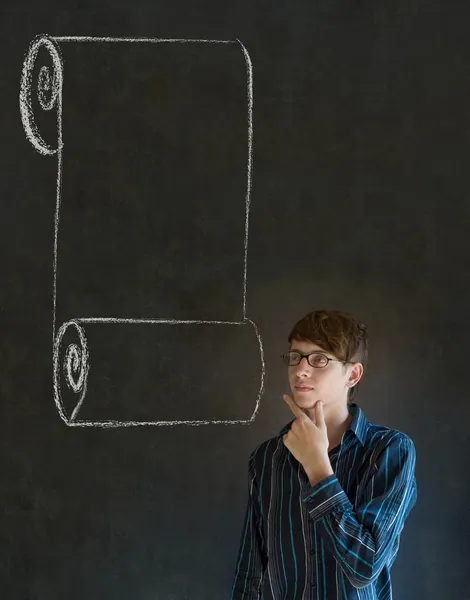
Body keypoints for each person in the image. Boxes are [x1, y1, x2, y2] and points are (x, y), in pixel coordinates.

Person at [231, 309, 417, 600]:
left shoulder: (388, 450)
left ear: (352, 374)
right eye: (295, 356)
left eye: (319, 359)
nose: (300, 370)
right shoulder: (266, 458)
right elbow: (250, 573)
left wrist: (318, 467)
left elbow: (364, 567)